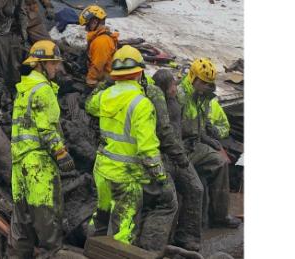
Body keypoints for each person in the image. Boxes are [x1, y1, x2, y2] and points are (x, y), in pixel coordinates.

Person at [85, 45, 175, 245]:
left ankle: (89, 251)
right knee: (123, 232)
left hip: (102, 172)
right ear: (140, 72)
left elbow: (89, 105)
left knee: (100, 217)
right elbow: (147, 150)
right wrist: (160, 176)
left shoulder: (104, 96)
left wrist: (104, 85)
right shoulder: (141, 104)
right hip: (126, 178)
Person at [9, 40, 76, 259]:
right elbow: (45, 126)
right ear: (40, 64)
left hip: (19, 165)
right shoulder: (44, 89)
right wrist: (60, 152)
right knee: (48, 221)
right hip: (38, 163)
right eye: (53, 63)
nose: (57, 68)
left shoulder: (24, 89)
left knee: (21, 225)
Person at [138, 70, 203, 252]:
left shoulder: (175, 101)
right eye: (172, 85)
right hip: (164, 156)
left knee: (195, 188)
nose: (175, 88)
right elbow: (163, 132)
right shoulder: (155, 102)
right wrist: (179, 156)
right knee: (166, 200)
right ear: (164, 88)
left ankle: (187, 237)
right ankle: (150, 248)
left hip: (177, 154)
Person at [176, 58, 241, 228]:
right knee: (195, 185)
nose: (207, 87)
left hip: (195, 145)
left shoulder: (203, 98)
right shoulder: (178, 96)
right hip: (179, 148)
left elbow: (201, 125)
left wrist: (211, 140)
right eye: (204, 83)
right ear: (193, 78)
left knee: (221, 163)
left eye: (209, 83)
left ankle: (220, 215)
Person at [79, 5, 119, 88]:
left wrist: (90, 80)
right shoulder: (101, 36)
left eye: (87, 26)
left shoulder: (101, 42)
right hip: (105, 74)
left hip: (105, 78)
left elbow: (98, 65)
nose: (86, 29)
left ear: (94, 22)